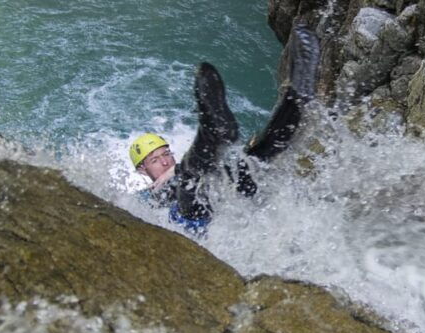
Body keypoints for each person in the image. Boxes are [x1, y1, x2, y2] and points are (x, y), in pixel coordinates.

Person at [130, 25, 320, 233]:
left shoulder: (193, 172)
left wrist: (172, 171)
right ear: (142, 170)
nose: (165, 161)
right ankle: (211, 133)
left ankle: (297, 97)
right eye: (155, 160)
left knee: (257, 158)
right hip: (192, 221)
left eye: (166, 153)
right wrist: (170, 176)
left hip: (227, 202)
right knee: (187, 182)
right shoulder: (145, 197)